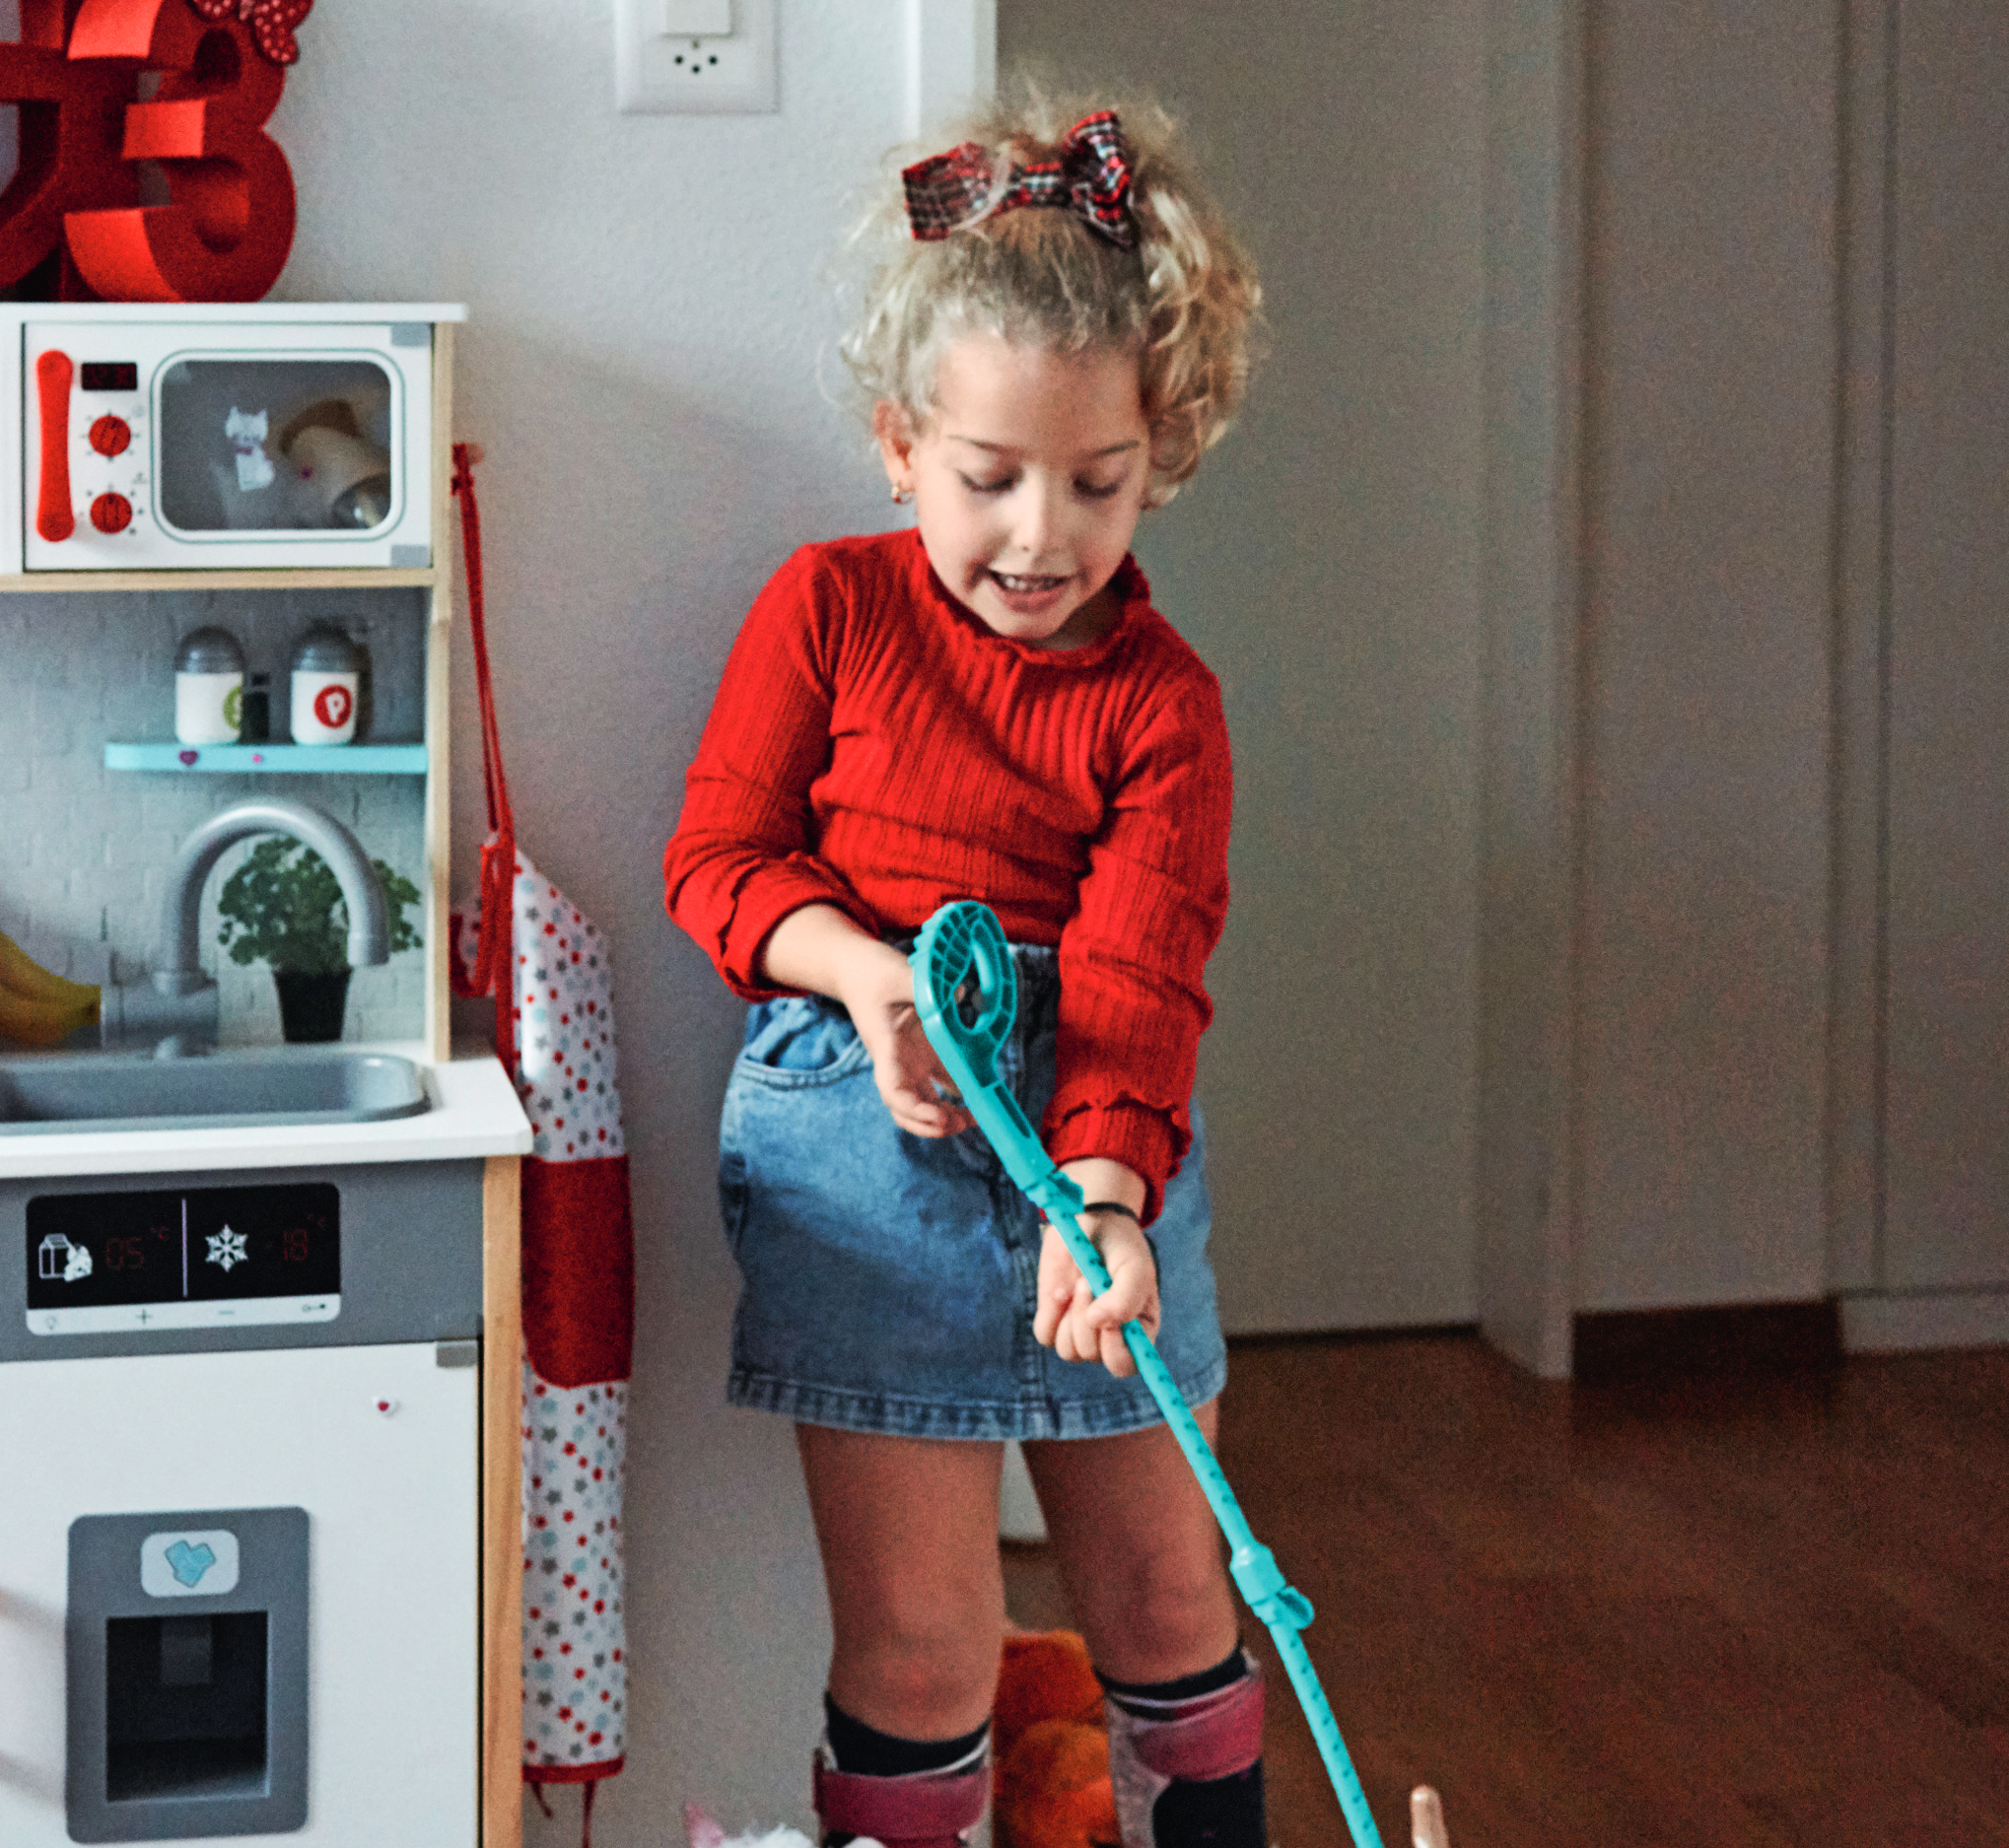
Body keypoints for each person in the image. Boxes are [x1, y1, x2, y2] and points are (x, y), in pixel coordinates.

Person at [664, 88, 1265, 1848]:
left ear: (1165, 454)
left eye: (1101, 484)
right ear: (899, 442)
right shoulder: (827, 611)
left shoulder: (1168, 707)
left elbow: (1145, 980)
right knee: (923, 1653)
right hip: (863, 1153)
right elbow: (718, 863)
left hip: (1102, 1163)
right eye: (990, 479)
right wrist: (865, 978)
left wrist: (1106, 1196)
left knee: (1172, 1613)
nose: (1040, 538)